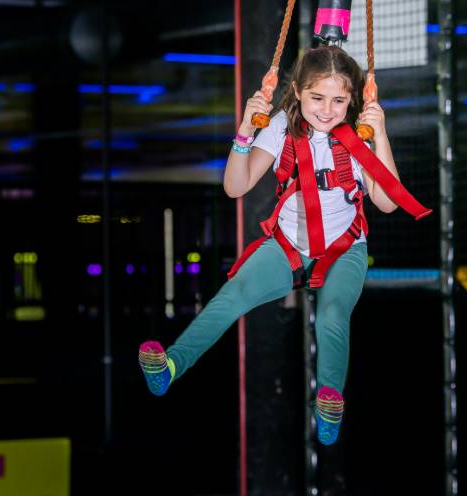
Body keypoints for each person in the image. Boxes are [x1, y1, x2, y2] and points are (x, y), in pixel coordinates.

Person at [138, 45, 428, 446]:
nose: (327, 110)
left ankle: (329, 400)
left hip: (343, 249)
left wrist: (379, 136)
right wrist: (245, 128)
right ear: (297, 91)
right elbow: (236, 186)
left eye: (339, 101)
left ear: (353, 100)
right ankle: (171, 365)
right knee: (234, 293)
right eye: (317, 98)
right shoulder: (281, 127)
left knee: (332, 314)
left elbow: (387, 202)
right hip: (289, 245)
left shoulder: (356, 138)